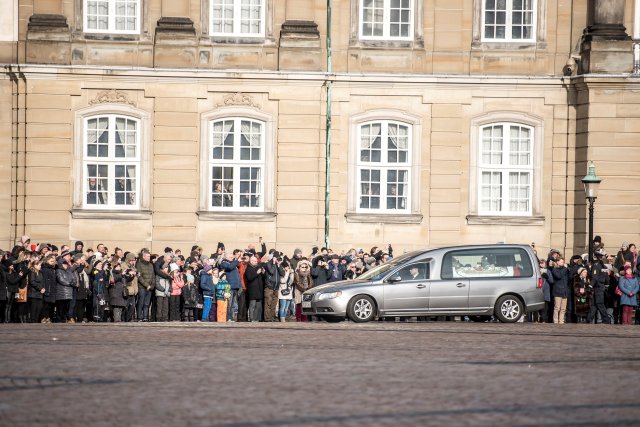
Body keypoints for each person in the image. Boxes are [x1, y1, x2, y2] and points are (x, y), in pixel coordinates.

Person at [587, 249, 612, 324]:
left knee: (600, 304)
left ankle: (606, 319)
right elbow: (607, 278)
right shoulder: (603, 265)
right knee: (594, 305)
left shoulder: (596, 265)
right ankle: (589, 319)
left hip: (597, 287)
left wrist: (590, 285)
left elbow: (594, 277)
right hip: (601, 286)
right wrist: (606, 285)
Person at [220, 251, 241, 322]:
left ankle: (232, 317)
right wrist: (236, 260)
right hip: (229, 286)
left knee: (233, 304)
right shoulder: (224, 263)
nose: (232, 257)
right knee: (229, 303)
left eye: (232, 256)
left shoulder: (233, 263)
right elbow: (230, 267)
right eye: (230, 256)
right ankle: (228, 317)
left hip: (236, 286)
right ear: (226, 257)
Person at [135, 249, 154, 322]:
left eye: (149, 256)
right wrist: (146, 285)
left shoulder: (151, 265)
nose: (149, 258)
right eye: (148, 256)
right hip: (142, 287)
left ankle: (145, 317)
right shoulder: (139, 264)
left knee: (147, 303)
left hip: (149, 287)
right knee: (141, 302)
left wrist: (152, 285)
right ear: (144, 257)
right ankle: (139, 317)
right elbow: (139, 277)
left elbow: (153, 276)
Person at [244, 256, 264, 322]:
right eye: (255, 261)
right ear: (251, 261)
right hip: (252, 289)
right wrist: (257, 273)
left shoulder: (258, 267)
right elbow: (250, 278)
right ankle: (251, 318)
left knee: (258, 306)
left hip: (259, 289)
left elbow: (262, 278)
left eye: (256, 261)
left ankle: (256, 318)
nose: (256, 262)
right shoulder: (248, 268)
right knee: (252, 305)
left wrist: (263, 273)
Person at [551, 257, 570, 324]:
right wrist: (565, 268)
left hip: (565, 291)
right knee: (557, 308)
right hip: (558, 291)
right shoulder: (554, 269)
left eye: (563, 262)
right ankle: (555, 321)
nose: (563, 263)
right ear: (557, 262)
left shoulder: (565, 270)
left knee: (563, 308)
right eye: (561, 262)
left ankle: (561, 320)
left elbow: (569, 278)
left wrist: (568, 269)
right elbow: (559, 276)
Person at [154, 252, 172, 322]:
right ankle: (159, 318)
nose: (167, 269)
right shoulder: (159, 275)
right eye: (166, 268)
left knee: (165, 307)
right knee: (159, 306)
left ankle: (165, 318)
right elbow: (157, 283)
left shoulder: (168, 276)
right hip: (160, 292)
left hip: (167, 292)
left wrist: (169, 289)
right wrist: (163, 289)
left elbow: (170, 283)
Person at [40, 254, 57, 323]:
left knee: (49, 305)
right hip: (47, 289)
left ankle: (47, 317)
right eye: (51, 261)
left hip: (52, 289)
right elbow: (44, 280)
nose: (53, 262)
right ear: (47, 261)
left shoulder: (52, 269)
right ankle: (43, 317)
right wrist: (44, 289)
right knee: (45, 305)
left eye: (53, 261)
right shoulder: (44, 269)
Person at [27, 259, 45, 323]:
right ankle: (32, 321)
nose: (40, 266)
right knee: (33, 308)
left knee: (39, 308)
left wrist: (43, 288)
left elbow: (42, 282)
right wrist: (40, 288)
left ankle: (36, 321)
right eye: (39, 265)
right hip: (33, 293)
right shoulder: (32, 272)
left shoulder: (40, 273)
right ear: (35, 265)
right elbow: (32, 282)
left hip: (39, 293)